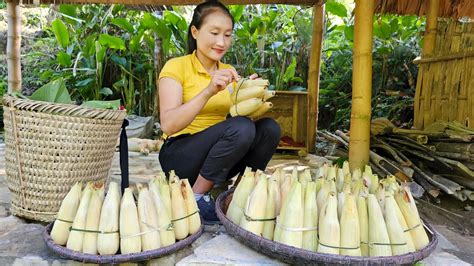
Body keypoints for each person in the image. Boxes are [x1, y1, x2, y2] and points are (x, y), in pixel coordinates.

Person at [158, 0, 281, 224]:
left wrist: (250, 95)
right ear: (195, 32)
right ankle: (196, 197)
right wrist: (208, 91)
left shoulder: (228, 70)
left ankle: (238, 193)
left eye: (227, 35)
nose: (221, 42)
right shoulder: (176, 66)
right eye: (214, 33)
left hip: (217, 159)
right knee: (241, 128)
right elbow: (168, 124)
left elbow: (235, 121)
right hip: (180, 156)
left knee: (269, 128)